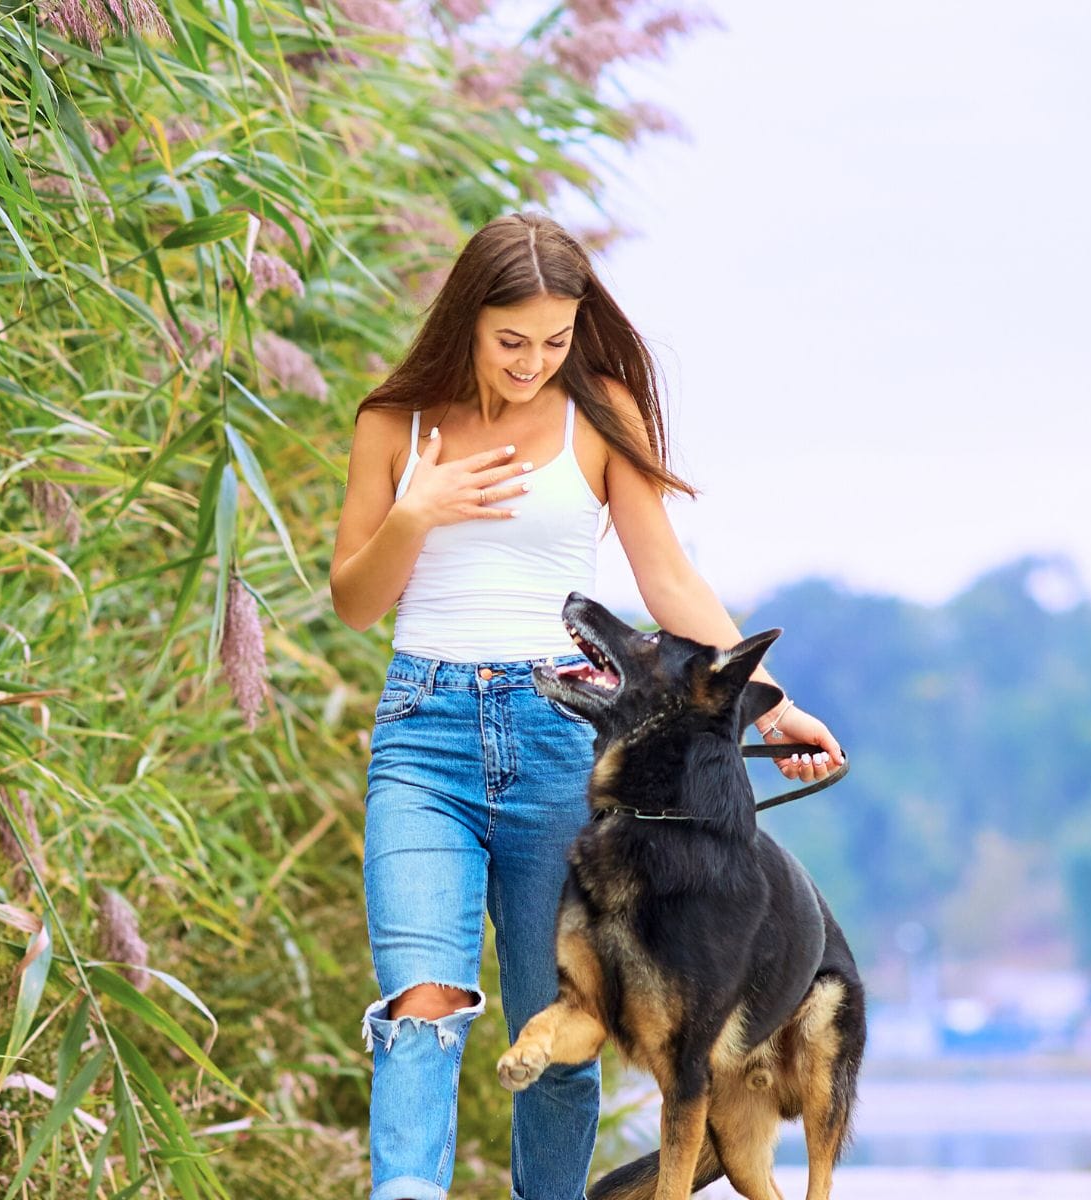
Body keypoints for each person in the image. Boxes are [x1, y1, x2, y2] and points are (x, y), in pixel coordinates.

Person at [327, 211, 847, 1200]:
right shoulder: (395, 424)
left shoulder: (600, 413)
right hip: (423, 738)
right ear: (468, 321)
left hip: (557, 742)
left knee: (565, 1030)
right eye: (511, 340)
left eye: (554, 340)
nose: (532, 363)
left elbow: (668, 583)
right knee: (418, 1008)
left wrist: (773, 706)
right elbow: (356, 601)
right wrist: (416, 513)